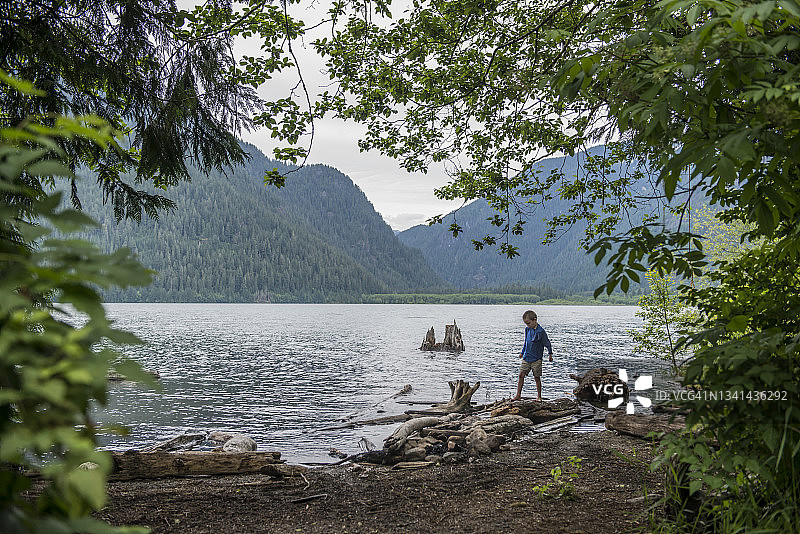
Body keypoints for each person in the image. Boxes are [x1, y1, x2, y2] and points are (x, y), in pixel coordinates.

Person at [512, 310, 553, 401]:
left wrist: (550, 354)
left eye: (528, 323)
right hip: (527, 357)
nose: (527, 325)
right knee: (521, 375)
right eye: (526, 324)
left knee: (536, 377)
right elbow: (526, 342)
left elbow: (547, 343)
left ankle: (539, 396)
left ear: (535, 320)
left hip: (536, 359)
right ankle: (518, 395)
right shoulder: (527, 329)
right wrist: (522, 352)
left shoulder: (541, 331)